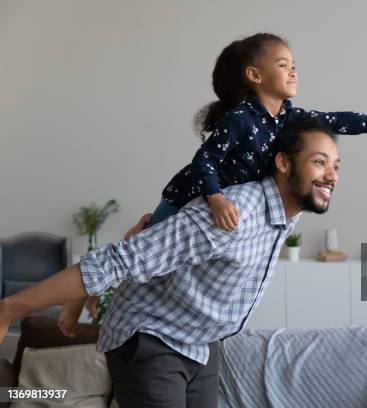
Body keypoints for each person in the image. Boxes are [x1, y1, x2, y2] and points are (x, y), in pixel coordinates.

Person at [59, 32, 367, 336]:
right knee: (136, 252)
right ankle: (78, 297)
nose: (293, 71)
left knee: (148, 266)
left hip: (218, 200)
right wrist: (215, 200)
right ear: (255, 75)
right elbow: (203, 161)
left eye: (294, 65)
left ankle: (93, 297)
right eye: (283, 65)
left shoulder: (290, 117)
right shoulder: (240, 119)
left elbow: (335, 120)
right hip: (189, 198)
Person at [0, 114, 341, 407]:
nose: (332, 175)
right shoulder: (236, 215)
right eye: (319, 162)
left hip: (200, 341)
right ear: (283, 163)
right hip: (153, 335)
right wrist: (15, 306)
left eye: (336, 166)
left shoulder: (286, 214)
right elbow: (121, 260)